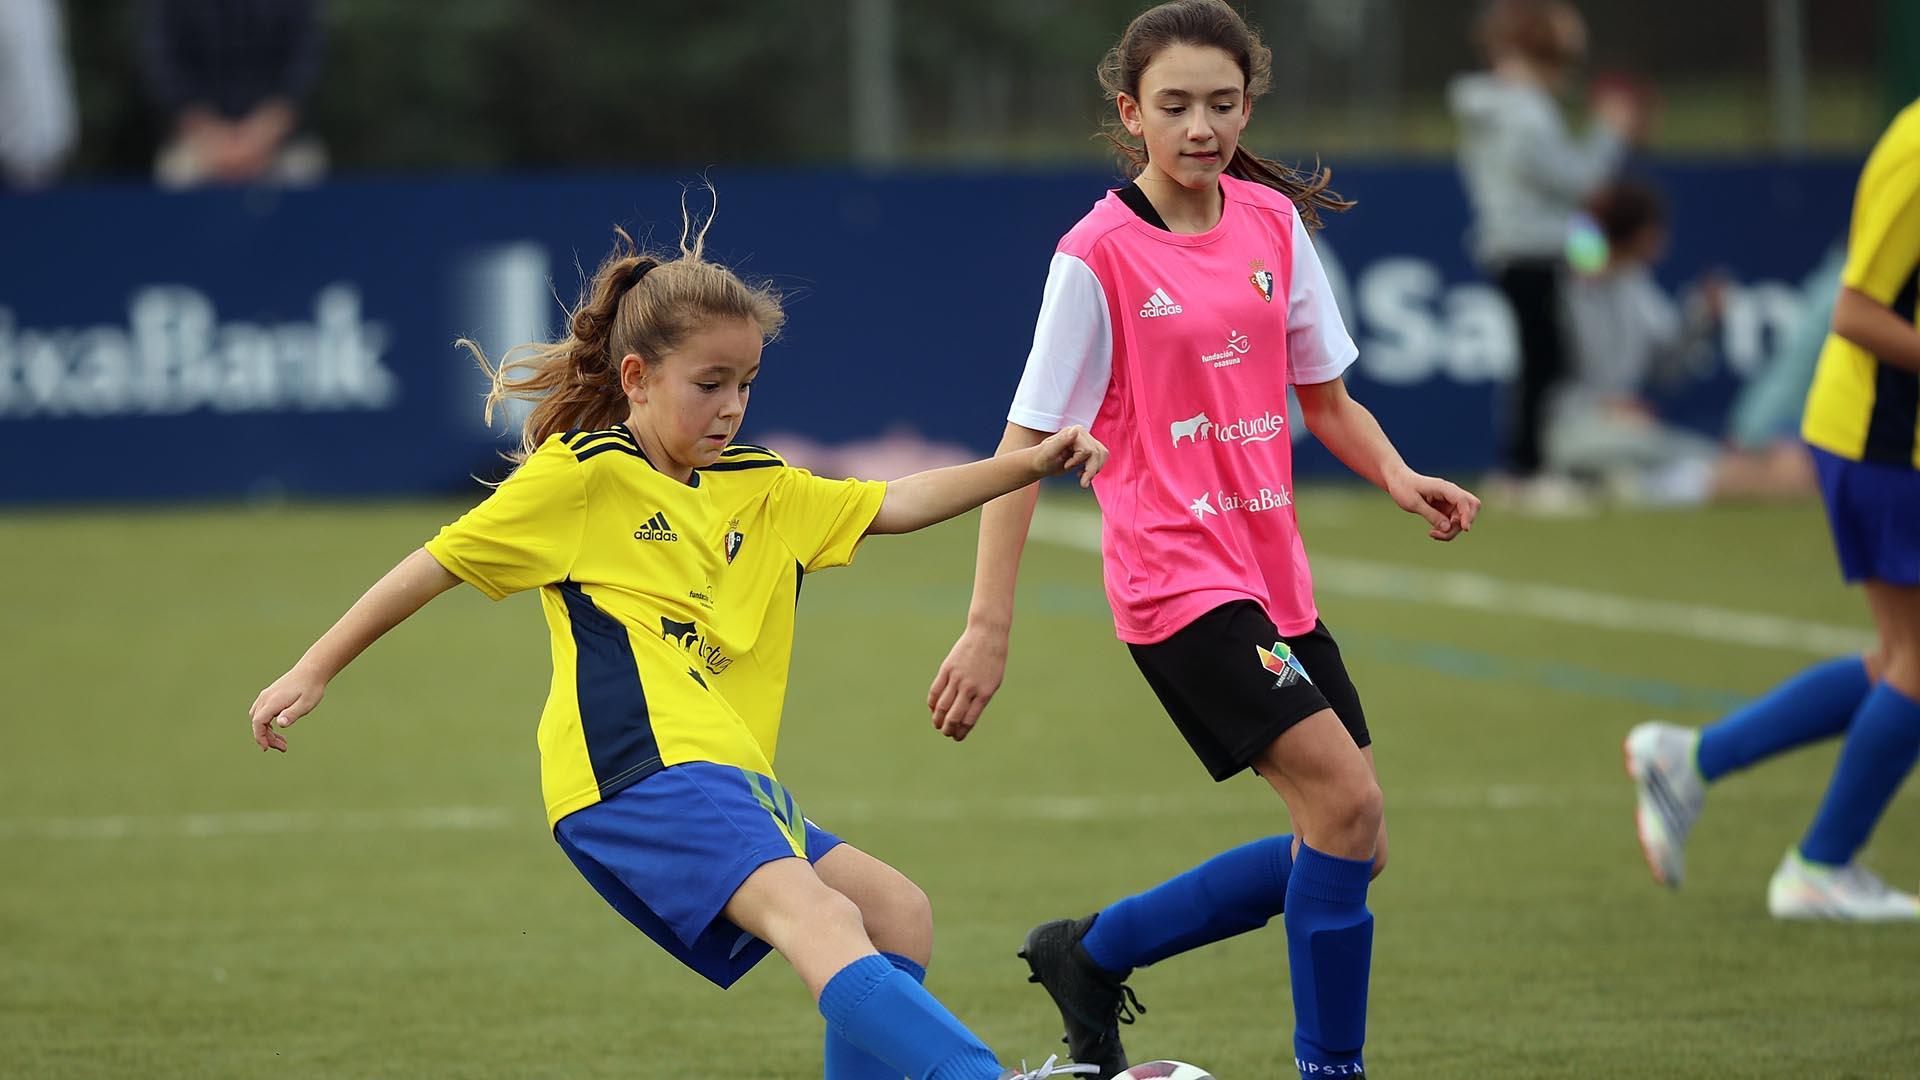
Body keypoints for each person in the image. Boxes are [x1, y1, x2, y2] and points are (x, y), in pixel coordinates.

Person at [247, 201, 1108, 1080]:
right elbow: (434, 564)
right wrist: (313, 668)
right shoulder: (581, 478)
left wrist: (1026, 464)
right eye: (710, 383)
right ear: (637, 377)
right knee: (823, 920)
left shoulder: (760, 486)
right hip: (637, 768)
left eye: (746, 383)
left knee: (895, 913)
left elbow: (896, 502)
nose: (732, 406)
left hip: (728, 772)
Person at [924, 4, 1478, 1077]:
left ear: (1247, 105)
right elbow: (1023, 447)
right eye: (1173, 106)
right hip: (1176, 582)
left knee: (1356, 842)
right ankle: (1332, 1068)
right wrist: (988, 624)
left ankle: (1093, 953)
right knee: (1346, 805)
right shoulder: (1098, 256)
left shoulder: (1272, 223)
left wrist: (1401, 476)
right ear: (1130, 115)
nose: (1199, 126)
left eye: (1221, 104)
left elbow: (1328, 402)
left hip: (1273, 577)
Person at [1625, 98, 1920, 921]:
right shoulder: (1917, 146)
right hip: (1883, 440)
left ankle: (1691, 759)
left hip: (1899, 441)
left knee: (1901, 657)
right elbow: (1856, 312)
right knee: (1917, 660)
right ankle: (1821, 864)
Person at [1448, 0, 1641, 511]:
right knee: (1544, 363)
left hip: (1520, 250)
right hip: (1529, 252)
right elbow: (1580, 181)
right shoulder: (1525, 113)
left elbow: (1558, 192)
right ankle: (1531, 472)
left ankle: (1530, 467)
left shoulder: (1502, 107)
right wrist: (1611, 130)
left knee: (1540, 362)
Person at [1554, 178, 1813, 505]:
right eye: (1655, 229)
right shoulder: (1571, 291)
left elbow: (1666, 366)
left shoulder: (1634, 285)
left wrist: (1700, 316)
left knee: (1677, 449)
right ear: (1638, 232)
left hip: (1627, 433)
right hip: (1572, 431)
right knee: (1671, 452)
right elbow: (1548, 385)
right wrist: (1606, 407)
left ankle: (1628, 484)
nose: (1662, 239)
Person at [140, 0, 327, 189]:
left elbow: (303, 71)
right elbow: (166, 73)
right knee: (178, 176)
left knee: (303, 175)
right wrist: (213, 139)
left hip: (281, 142)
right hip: (199, 140)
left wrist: (259, 138)